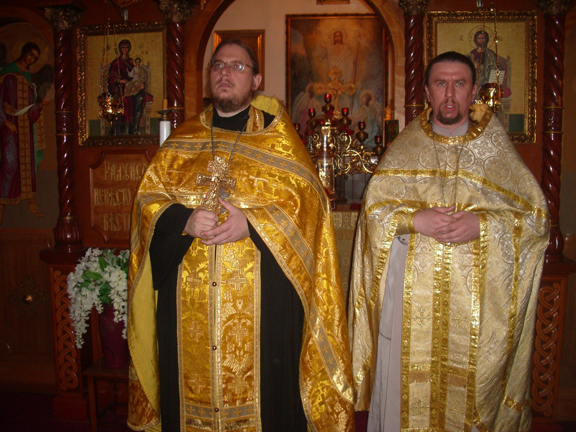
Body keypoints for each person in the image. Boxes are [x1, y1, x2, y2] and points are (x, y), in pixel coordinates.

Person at [127, 39, 355, 432]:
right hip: (186, 312)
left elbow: (308, 206)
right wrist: (182, 220)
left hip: (265, 310)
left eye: (237, 66)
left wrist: (252, 224)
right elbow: (147, 201)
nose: (225, 73)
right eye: (218, 65)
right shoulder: (182, 141)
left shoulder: (279, 140)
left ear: (256, 80)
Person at [348, 51, 549, 432]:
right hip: (411, 306)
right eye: (441, 84)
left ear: (474, 92)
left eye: (460, 84)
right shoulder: (406, 147)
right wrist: (413, 220)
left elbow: (535, 220)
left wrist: (482, 225)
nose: (450, 94)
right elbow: (374, 215)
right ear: (427, 91)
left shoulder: (495, 150)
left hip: (477, 310)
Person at [0, 42, 48, 224]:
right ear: (23, 52)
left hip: (25, 129)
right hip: (9, 126)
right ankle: (1, 205)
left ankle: (31, 202)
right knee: (9, 162)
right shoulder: (5, 73)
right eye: (31, 54)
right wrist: (4, 121)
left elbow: (31, 110)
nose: (31, 59)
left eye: (35, 58)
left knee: (28, 165)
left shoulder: (29, 79)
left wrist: (40, 105)